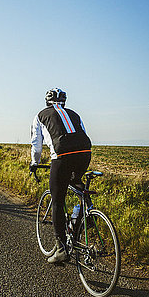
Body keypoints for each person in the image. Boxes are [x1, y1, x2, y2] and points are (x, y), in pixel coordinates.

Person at [30, 88, 92, 263]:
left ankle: (60, 249)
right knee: (77, 183)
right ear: (64, 102)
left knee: (58, 199)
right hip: (85, 153)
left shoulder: (40, 116)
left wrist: (34, 163)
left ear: (46, 101)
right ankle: (80, 217)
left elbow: (36, 144)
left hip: (62, 156)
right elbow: (84, 133)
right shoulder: (74, 114)